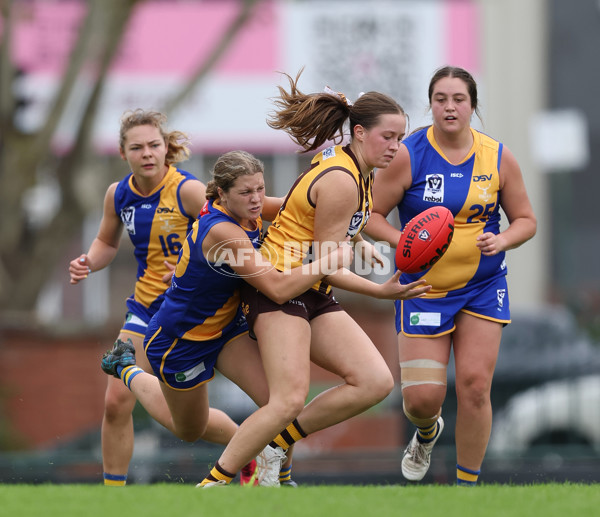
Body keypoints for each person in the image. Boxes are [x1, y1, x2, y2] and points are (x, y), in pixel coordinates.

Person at [197, 70, 432, 487]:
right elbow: (328, 264)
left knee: (374, 381)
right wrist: (381, 291)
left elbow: (317, 218)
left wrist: (356, 237)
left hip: (312, 290)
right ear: (359, 132)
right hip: (280, 290)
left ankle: (276, 446)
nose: (397, 147)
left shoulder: (354, 166)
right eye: (389, 137)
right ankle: (213, 484)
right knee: (286, 399)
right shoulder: (343, 179)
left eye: (401, 137)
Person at [99, 149, 353, 487]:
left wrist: (357, 229)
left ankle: (278, 477)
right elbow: (277, 288)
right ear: (222, 194)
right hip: (181, 340)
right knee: (190, 430)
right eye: (246, 192)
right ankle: (127, 369)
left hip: (227, 329)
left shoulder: (249, 206)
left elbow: (305, 206)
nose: (256, 199)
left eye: (260, 189)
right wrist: (330, 260)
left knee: (281, 403)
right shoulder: (222, 229)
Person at [365, 66, 537, 486]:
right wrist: (403, 239)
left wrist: (504, 241)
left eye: (458, 99)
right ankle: (426, 433)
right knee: (422, 400)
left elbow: (526, 220)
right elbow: (370, 216)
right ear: (430, 105)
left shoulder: (497, 156)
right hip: (422, 289)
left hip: (482, 287)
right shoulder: (409, 153)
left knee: (476, 387)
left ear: (472, 105)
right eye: (440, 98)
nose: (449, 107)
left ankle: (466, 488)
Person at [69, 110, 258, 486]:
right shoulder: (118, 193)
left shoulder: (186, 190)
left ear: (167, 148)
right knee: (114, 403)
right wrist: (90, 261)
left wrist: (193, 261)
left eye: (154, 145)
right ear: (123, 153)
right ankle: (114, 497)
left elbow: (223, 226)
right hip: (144, 308)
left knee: (191, 424)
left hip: (193, 311)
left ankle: (249, 450)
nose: (147, 153)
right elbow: (107, 242)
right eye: (136, 147)